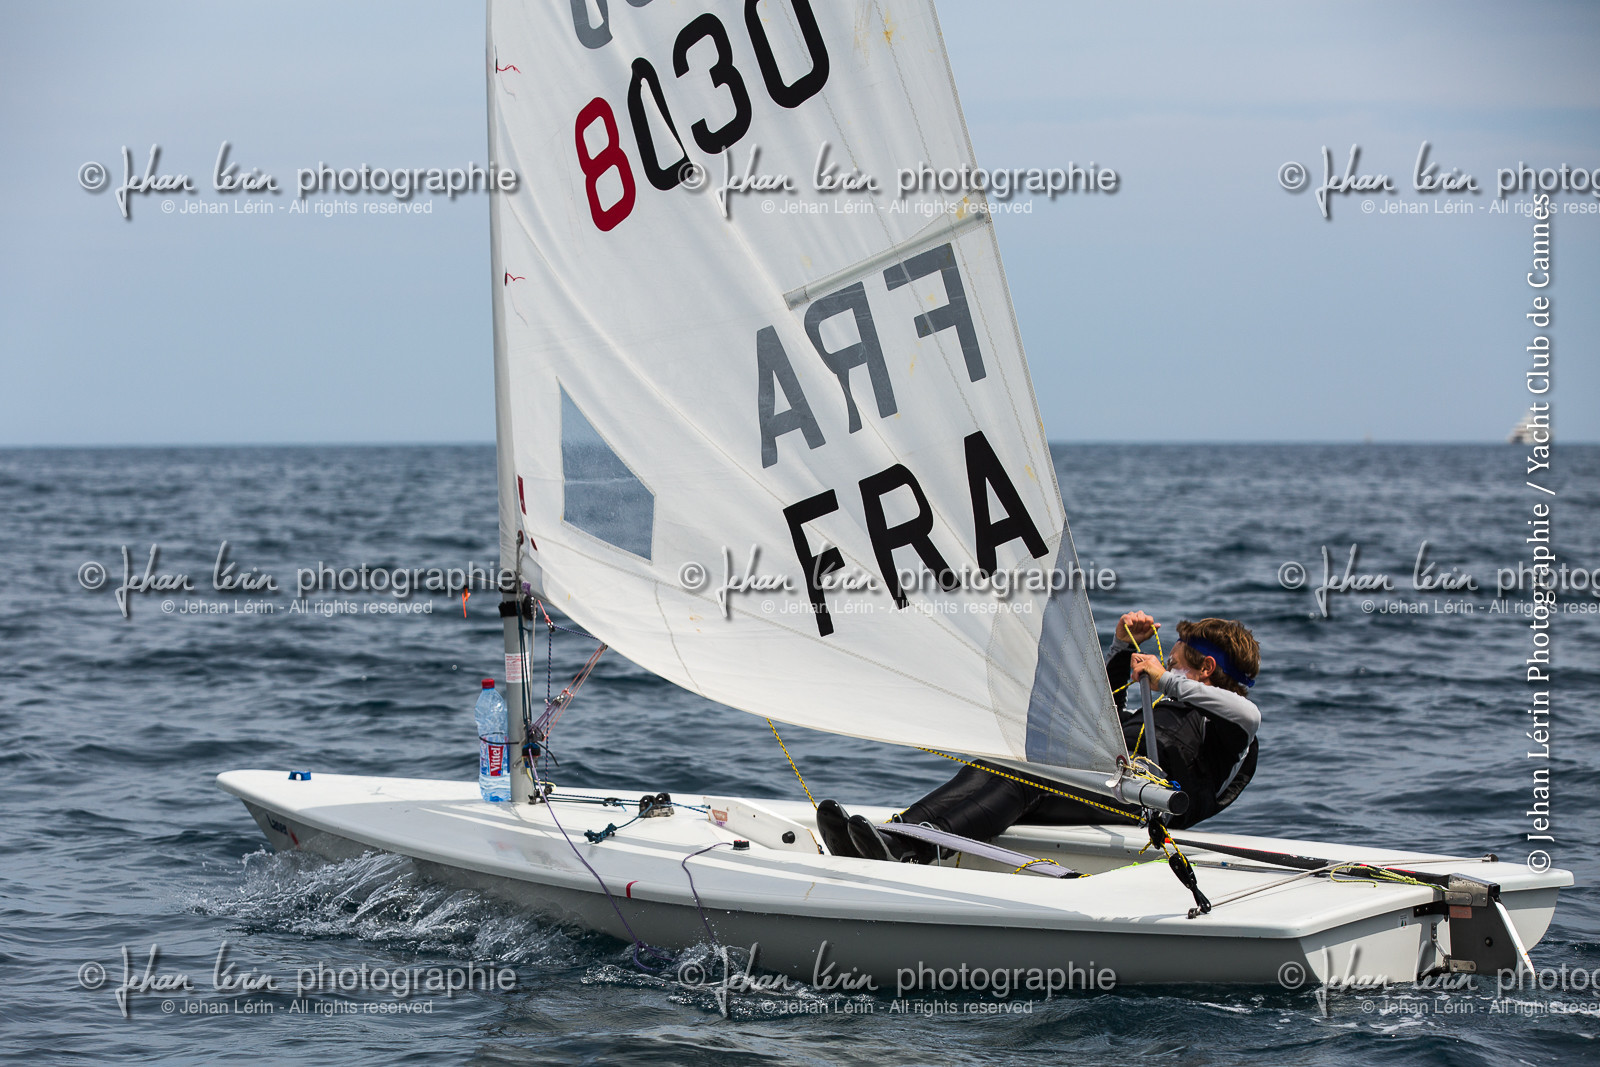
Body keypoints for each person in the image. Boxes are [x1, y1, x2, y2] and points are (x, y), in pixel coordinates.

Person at [816, 611, 1262, 862]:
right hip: (1104, 786)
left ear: (1206, 668)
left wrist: (1164, 678)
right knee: (1002, 763)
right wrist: (1122, 647)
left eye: (1179, 663)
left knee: (1028, 782)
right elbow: (1102, 713)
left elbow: (1248, 712)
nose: (1169, 669)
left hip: (1143, 808)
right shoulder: (1169, 708)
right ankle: (895, 835)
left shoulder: (1232, 724)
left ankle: (912, 850)